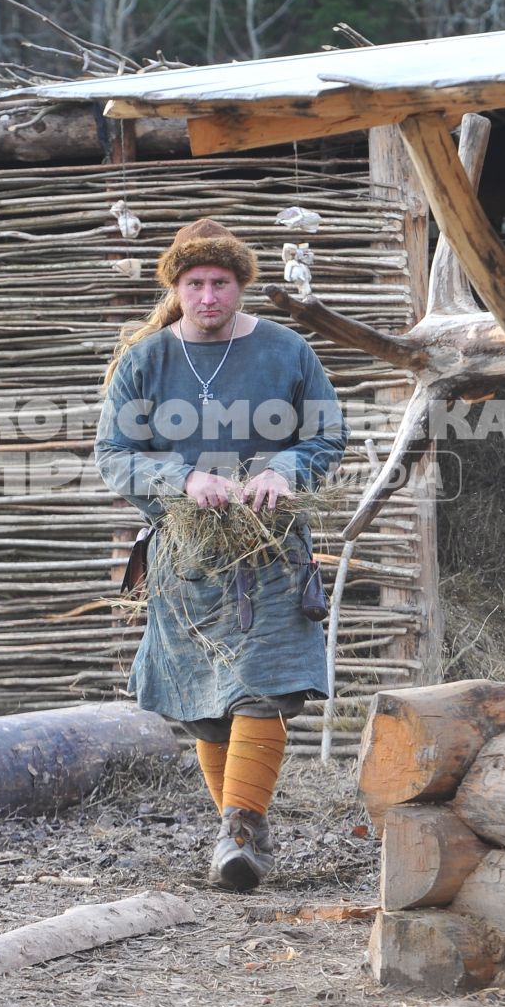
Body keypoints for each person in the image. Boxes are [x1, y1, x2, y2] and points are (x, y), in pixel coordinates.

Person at [94, 218, 347, 890]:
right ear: (177, 287)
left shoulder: (287, 352)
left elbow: (328, 432)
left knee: (261, 686)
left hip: (271, 552)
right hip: (185, 556)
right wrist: (183, 479)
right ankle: (241, 831)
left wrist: (286, 468)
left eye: (221, 284)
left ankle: (238, 829)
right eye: (196, 284)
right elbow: (112, 457)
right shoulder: (146, 361)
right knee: (205, 702)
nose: (208, 297)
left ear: (241, 286)